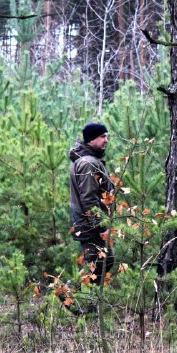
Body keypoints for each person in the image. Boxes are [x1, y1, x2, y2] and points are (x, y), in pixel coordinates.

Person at [69, 122, 115, 285]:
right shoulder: (89, 162)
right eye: (103, 136)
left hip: (89, 223)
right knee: (98, 263)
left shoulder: (89, 160)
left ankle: (88, 305)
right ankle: (69, 294)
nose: (106, 140)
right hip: (90, 225)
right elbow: (89, 199)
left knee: (103, 261)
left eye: (107, 136)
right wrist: (101, 226)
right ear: (91, 139)